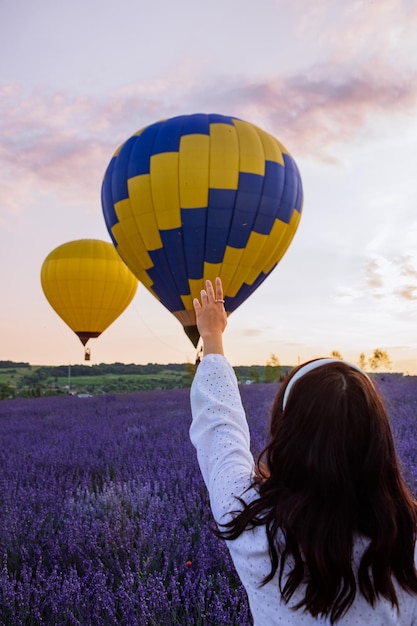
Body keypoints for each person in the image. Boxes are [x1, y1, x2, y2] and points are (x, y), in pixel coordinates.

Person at [189, 278, 417, 625]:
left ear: (287, 435)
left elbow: (219, 430)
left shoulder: (253, 528)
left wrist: (212, 338)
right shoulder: (406, 539)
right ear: (378, 442)